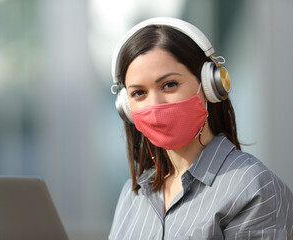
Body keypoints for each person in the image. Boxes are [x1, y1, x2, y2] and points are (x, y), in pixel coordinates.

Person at [109, 17, 293, 239]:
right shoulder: (133, 194)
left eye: (169, 85)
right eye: (139, 93)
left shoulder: (253, 188)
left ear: (209, 85)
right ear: (126, 108)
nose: (155, 106)